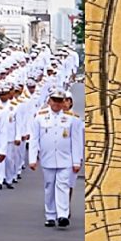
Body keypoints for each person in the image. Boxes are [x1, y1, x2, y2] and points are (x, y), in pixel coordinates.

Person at [29, 89, 82, 228]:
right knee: (49, 186)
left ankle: (63, 215)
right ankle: (50, 215)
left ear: (64, 102)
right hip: (48, 158)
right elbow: (34, 139)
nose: (57, 104)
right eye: (54, 100)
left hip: (66, 159)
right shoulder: (40, 117)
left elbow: (77, 141)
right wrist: (32, 159)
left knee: (63, 185)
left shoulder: (73, 118)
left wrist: (77, 161)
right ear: (49, 101)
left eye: (60, 101)